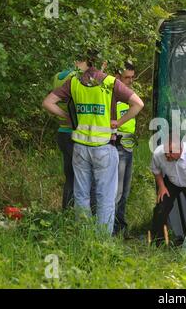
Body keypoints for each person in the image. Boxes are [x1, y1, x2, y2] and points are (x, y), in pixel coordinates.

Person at [42, 49, 144, 234]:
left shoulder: (74, 82)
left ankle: (84, 235)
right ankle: (103, 240)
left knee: (81, 194)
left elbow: (48, 102)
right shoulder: (110, 83)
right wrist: (119, 122)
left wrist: (68, 117)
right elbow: (138, 104)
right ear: (103, 63)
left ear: (85, 62)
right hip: (104, 147)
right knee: (105, 196)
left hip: (80, 147)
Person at [113, 60, 137, 237]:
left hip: (129, 147)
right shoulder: (112, 97)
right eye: (126, 77)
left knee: (125, 192)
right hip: (117, 146)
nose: (130, 81)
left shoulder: (130, 96)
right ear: (117, 77)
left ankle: (121, 226)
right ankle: (111, 228)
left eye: (132, 77)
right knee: (117, 191)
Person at [51, 69, 76, 210]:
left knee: (70, 177)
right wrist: (69, 117)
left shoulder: (57, 76)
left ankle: (66, 213)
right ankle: (71, 213)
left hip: (62, 132)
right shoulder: (75, 77)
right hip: (72, 133)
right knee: (78, 178)